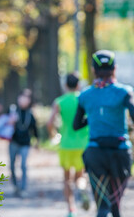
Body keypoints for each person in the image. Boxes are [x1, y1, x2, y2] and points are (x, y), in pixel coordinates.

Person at [73, 50, 134, 217]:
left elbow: (76, 125)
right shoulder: (124, 92)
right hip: (120, 153)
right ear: (114, 68)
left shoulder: (85, 95)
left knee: (103, 206)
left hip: (96, 154)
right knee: (115, 206)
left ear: (93, 70)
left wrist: (93, 116)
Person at [47, 73, 90, 217]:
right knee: (80, 176)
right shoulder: (83, 99)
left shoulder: (59, 101)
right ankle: (82, 188)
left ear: (65, 85)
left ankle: (71, 209)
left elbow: (49, 123)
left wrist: (54, 135)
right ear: (78, 85)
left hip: (65, 144)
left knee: (67, 179)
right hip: (83, 144)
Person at [9, 92, 39, 197]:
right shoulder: (13, 111)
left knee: (23, 165)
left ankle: (23, 188)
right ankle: (15, 186)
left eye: (26, 99)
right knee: (12, 165)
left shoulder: (30, 114)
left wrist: (37, 140)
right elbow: (4, 125)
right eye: (22, 98)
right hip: (13, 141)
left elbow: (34, 128)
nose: (23, 100)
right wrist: (10, 122)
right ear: (18, 99)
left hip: (25, 143)